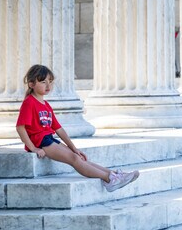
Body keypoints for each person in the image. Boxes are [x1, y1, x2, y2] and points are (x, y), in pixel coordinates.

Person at [16, 64, 139, 192]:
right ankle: (109, 179)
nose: (48, 86)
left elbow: (59, 129)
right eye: (43, 82)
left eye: (50, 82)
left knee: (78, 157)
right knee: (74, 160)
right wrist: (33, 148)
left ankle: (114, 174)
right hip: (40, 142)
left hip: (49, 139)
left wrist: (74, 148)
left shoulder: (46, 105)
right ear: (31, 84)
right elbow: (20, 127)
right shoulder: (29, 103)